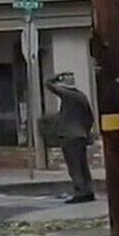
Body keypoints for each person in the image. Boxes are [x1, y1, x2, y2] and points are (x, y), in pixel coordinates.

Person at [43, 73, 96, 204]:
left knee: (74, 166)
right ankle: (88, 190)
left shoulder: (68, 95)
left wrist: (55, 78)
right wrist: (85, 130)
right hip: (81, 135)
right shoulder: (82, 96)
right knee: (83, 165)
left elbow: (49, 85)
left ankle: (80, 192)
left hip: (69, 136)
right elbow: (90, 117)